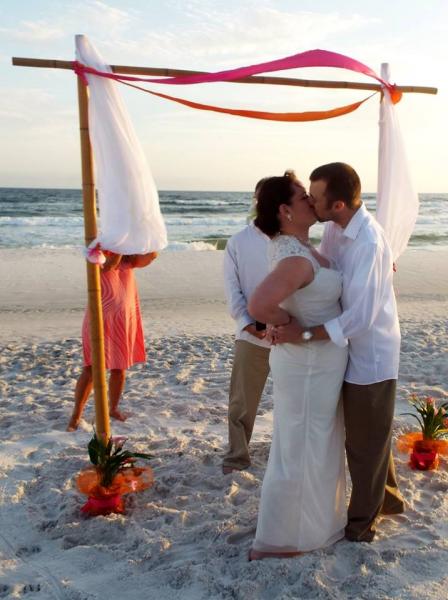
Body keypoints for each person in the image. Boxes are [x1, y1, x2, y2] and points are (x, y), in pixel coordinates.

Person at [275, 162, 405, 543]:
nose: (310, 202)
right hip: (344, 347)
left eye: (315, 198)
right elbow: (327, 268)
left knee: (363, 442)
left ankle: (363, 524)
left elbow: (360, 317)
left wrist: (305, 334)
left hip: (371, 352)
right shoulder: (334, 228)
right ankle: (390, 498)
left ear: (337, 205)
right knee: (369, 431)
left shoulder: (368, 243)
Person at [248, 171, 348, 560]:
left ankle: (311, 528)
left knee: (313, 442)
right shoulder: (295, 258)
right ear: (286, 210)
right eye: (304, 196)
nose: (312, 200)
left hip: (316, 365)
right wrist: (291, 326)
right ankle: (280, 541)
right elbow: (259, 305)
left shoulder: (300, 247)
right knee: (300, 446)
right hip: (306, 365)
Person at [67, 251, 157, 431]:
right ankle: (76, 416)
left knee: (119, 367)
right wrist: (119, 245)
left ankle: (112, 408)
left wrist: (139, 237)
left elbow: (152, 255)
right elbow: (109, 265)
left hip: (123, 317)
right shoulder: (97, 250)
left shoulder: (130, 258)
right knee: (91, 368)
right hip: (99, 315)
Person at [222, 179, 271, 474]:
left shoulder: (296, 241)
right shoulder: (238, 242)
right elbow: (233, 290)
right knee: (241, 403)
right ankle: (237, 456)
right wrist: (247, 324)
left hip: (291, 336)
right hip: (251, 334)